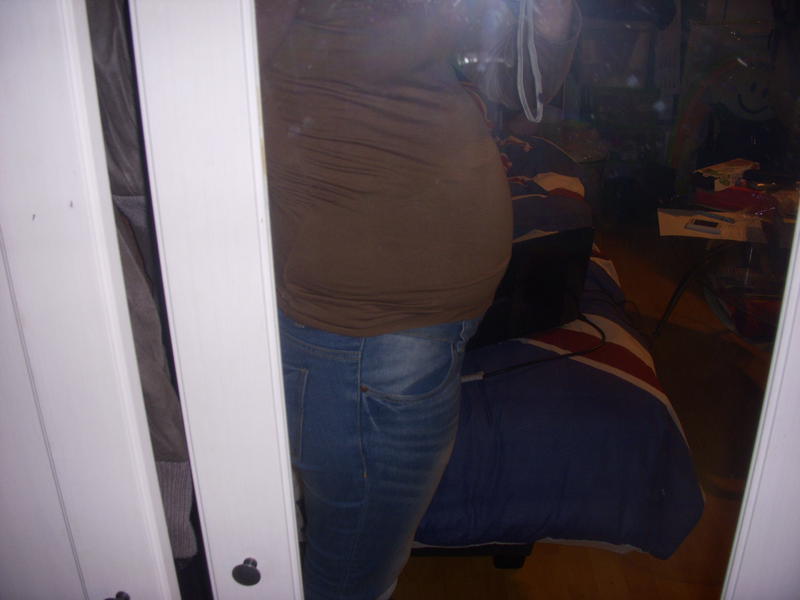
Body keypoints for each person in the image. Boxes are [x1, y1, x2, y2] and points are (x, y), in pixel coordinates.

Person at [256, 1, 580, 598]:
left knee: (363, 555)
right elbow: (205, 82)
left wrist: (550, 19)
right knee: (355, 573)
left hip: (409, 326)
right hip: (366, 328)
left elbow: (510, 89)